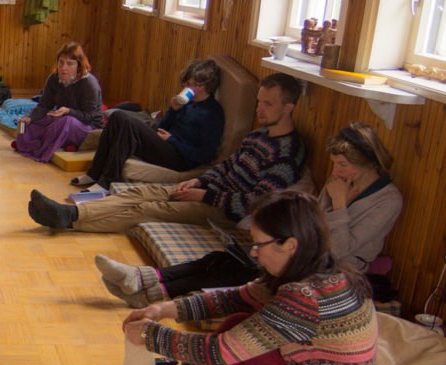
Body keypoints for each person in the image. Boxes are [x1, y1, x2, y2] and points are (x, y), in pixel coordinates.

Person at [118, 191, 377, 365]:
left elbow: (220, 352)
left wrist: (150, 336)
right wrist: (163, 309)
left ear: (289, 245)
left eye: (259, 244)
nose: (253, 253)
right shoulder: (321, 272)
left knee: (241, 333)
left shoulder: (304, 297)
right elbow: (232, 298)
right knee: (240, 321)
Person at [96, 121, 402, 308]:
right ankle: (143, 279)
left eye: (344, 165)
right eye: (335, 163)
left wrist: (340, 206)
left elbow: (342, 248)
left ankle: (146, 290)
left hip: (338, 270)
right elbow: (313, 225)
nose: (337, 171)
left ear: (369, 164)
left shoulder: (388, 200)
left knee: (238, 272)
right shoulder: (341, 183)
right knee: (222, 259)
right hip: (307, 254)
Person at [30, 73, 306, 233]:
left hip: (222, 209)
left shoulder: (287, 153)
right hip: (207, 189)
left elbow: (257, 203)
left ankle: (70, 221)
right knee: (137, 193)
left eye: (268, 105)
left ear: (289, 107)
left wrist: (205, 194)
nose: (259, 110)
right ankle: (70, 210)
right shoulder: (259, 135)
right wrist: (198, 181)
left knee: (149, 209)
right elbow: (227, 166)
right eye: (259, 102)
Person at [71, 59, 225, 190]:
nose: (186, 87)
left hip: (181, 158)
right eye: (186, 83)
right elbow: (161, 128)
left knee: (127, 122)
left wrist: (172, 140)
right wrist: (173, 110)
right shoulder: (187, 102)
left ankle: (106, 182)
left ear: (204, 85)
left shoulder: (212, 113)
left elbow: (205, 155)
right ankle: (94, 173)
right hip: (166, 145)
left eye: (190, 84)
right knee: (118, 116)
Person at [12, 42, 104, 163]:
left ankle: (44, 146)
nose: (63, 67)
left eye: (69, 64)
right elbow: (44, 105)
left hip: (87, 126)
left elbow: (89, 117)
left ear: (79, 66)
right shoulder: (54, 78)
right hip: (62, 117)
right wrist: (30, 117)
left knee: (66, 122)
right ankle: (41, 142)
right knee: (27, 124)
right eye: (61, 62)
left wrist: (69, 111)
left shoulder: (88, 84)